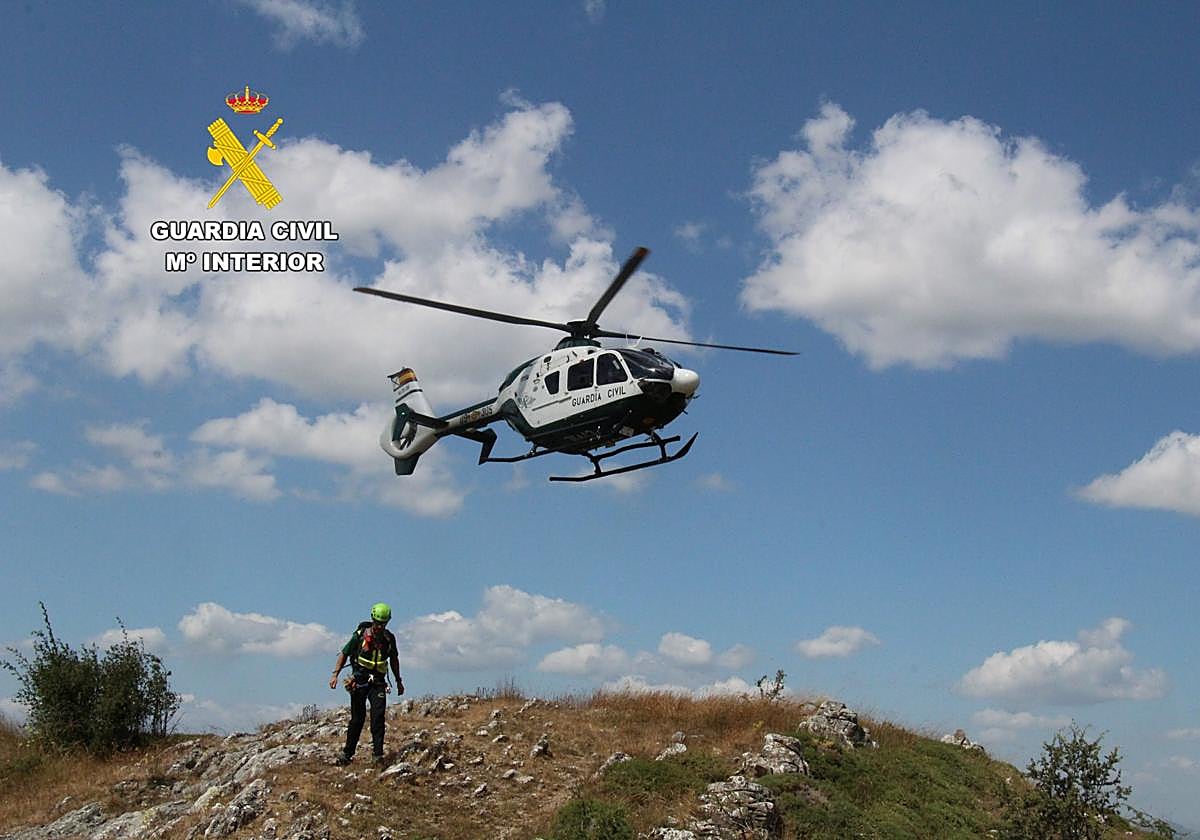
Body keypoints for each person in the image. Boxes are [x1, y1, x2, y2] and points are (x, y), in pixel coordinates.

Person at [329, 602, 403, 765]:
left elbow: (394, 660)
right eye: (377, 623)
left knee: (378, 717)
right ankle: (347, 754)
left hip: (378, 683)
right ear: (372, 620)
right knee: (357, 719)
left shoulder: (389, 639)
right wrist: (335, 675)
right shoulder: (360, 635)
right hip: (359, 681)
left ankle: (377, 756)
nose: (379, 627)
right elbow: (344, 653)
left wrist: (399, 681)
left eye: (383, 623)